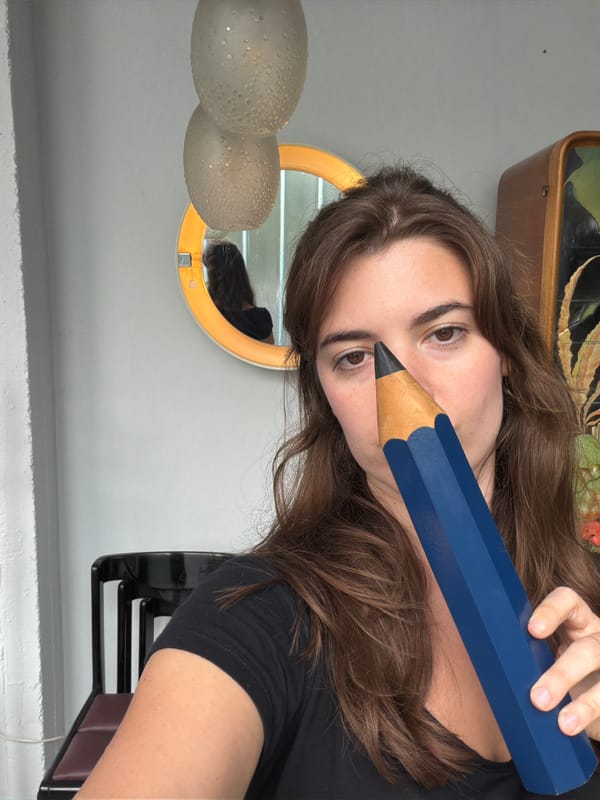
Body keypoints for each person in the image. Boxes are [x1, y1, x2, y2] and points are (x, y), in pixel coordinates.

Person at [78, 166, 600, 799]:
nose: (404, 391)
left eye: (444, 333)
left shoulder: (588, 589)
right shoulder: (261, 620)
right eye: (355, 357)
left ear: (508, 359)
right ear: (326, 398)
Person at [204, 240, 275, 344]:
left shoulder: (206, 316)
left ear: (212, 277)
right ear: (241, 272)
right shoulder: (261, 318)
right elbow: (268, 356)